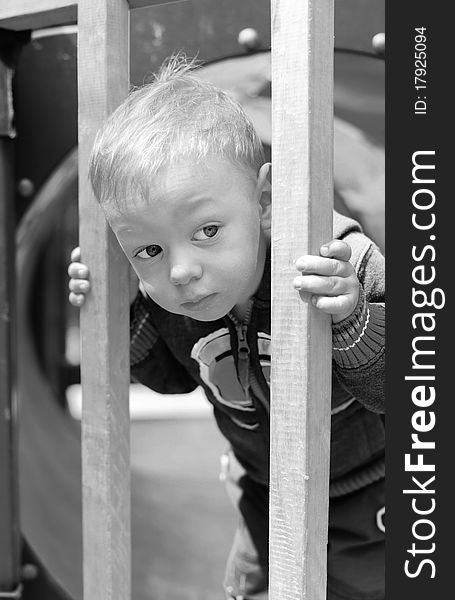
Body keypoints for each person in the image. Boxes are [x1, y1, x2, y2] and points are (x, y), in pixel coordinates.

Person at [68, 56, 385, 600]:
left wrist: (353, 317)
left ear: (263, 201)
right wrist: (119, 311)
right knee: (255, 589)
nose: (181, 270)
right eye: (148, 249)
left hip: (372, 488)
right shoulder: (163, 293)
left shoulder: (335, 265)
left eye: (208, 230)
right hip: (264, 490)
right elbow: (174, 379)